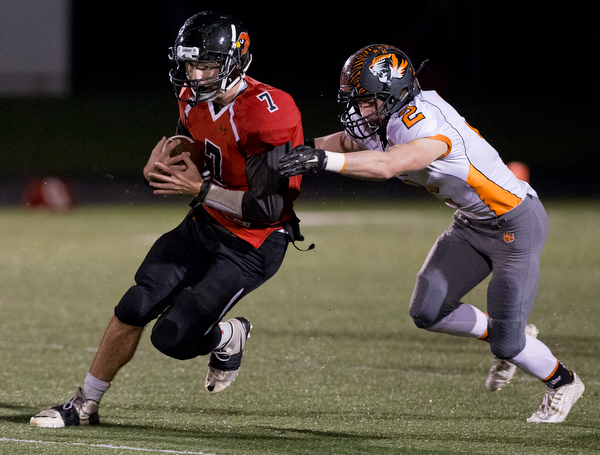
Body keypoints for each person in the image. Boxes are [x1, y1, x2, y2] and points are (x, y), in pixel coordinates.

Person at [279, 44, 584, 423]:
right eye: (356, 101)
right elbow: (346, 141)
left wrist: (321, 160)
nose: (360, 110)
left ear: (396, 94)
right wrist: (295, 151)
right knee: (427, 311)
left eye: (368, 101)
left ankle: (563, 381)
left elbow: (390, 164)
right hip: (471, 223)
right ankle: (511, 332)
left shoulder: (427, 123)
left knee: (509, 344)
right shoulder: (385, 116)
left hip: (514, 225)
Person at [30, 11, 305, 428]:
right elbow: (191, 143)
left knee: (173, 337)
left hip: (254, 241)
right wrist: (163, 166)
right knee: (135, 304)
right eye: (190, 64)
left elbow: (267, 208)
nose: (195, 74)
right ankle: (84, 404)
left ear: (235, 62)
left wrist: (200, 190)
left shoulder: (268, 111)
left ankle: (227, 336)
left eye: (207, 65)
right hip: (208, 221)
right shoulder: (192, 97)